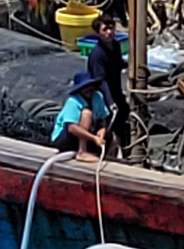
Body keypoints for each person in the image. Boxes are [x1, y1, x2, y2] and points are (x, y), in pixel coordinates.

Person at [86, 15, 129, 153]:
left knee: (124, 113)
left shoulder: (115, 46)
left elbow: (118, 64)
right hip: (102, 93)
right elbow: (100, 80)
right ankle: (108, 149)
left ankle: (124, 145)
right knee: (108, 121)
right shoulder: (97, 55)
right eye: (105, 29)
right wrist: (110, 102)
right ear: (98, 33)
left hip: (116, 88)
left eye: (111, 28)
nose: (109, 32)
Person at [51, 73, 109, 161]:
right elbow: (72, 128)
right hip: (65, 138)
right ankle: (82, 151)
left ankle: (102, 154)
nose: (89, 89)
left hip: (87, 135)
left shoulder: (98, 97)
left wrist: (102, 129)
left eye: (90, 86)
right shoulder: (73, 101)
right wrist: (94, 138)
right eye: (85, 87)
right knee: (86, 113)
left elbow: (103, 117)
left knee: (110, 135)